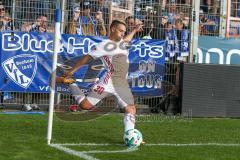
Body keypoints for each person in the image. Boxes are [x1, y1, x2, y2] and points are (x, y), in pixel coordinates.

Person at [60, 19, 143, 136]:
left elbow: (126, 40)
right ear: (113, 29)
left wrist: (134, 30)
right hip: (108, 81)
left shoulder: (121, 43)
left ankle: (130, 135)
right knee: (85, 105)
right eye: (121, 31)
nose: (123, 33)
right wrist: (71, 71)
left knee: (131, 109)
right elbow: (86, 58)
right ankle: (72, 83)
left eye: (124, 31)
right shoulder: (104, 45)